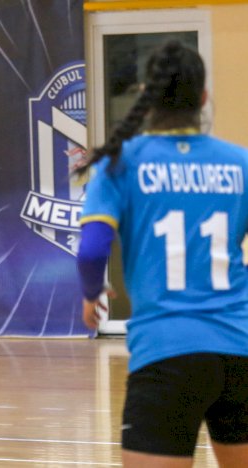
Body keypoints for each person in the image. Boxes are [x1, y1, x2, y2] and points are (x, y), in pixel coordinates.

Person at [77, 41, 248, 467]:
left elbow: (92, 248)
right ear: (203, 97)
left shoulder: (120, 163)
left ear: (145, 95)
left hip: (166, 352)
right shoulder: (240, 162)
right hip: (241, 348)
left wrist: (91, 292)